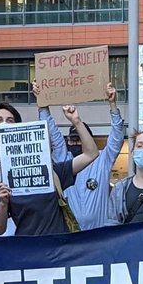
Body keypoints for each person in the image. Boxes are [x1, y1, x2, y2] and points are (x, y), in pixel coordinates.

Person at [0, 105, 99, 236]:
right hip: (27, 251)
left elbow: (91, 154)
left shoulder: (54, 172)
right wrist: (3, 204)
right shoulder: (5, 182)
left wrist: (76, 121)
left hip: (59, 250)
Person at [36, 83, 124, 230]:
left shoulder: (103, 159)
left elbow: (117, 137)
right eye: (72, 139)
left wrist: (113, 105)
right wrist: (42, 104)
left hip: (98, 234)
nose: (75, 142)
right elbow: (50, 131)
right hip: (70, 235)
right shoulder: (64, 159)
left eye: (79, 138)